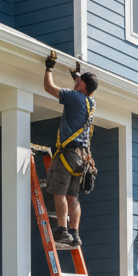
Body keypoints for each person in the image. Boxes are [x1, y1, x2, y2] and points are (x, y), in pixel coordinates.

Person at [43, 51, 97, 247]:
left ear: (83, 87)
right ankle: (75, 233)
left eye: (79, 82)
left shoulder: (74, 97)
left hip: (67, 155)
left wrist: (49, 67)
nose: (76, 83)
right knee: (73, 197)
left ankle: (62, 230)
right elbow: (81, 84)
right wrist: (77, 75)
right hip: (81, 159)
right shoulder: (91, 101)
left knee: (59, 191)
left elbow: (49, 87)